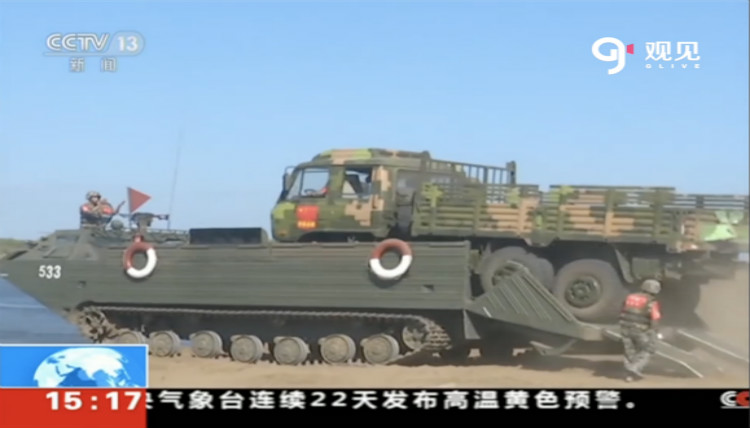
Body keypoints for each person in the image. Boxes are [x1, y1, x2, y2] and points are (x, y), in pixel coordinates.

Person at [619, 278, 662, 382]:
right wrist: (655, 332)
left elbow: (623, 310)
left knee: (629, 351)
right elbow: (655, 319)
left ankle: (629, 375)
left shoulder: (629, 297)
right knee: (648, 349)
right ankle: (634, 368)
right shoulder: (652, 302)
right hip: (640, 330)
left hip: (625, 328)